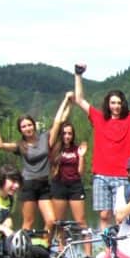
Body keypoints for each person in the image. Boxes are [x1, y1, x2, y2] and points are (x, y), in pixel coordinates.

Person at [73, 64, 130, 230]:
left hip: (122, 175)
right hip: (101, 175)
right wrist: (78, 75)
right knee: (103, 215)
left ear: (122, 104)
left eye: (118, 103)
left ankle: (121, 249)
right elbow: (79, 99)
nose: (116, 106)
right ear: (108, 104)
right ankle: (107, 251)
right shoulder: (99, 118)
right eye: (113, 103)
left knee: (121, 214)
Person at [0, 107, 57, 238]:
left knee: (51, 221)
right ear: (21, 130)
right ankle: (23, 253)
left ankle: (44, 249)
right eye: (23, 126)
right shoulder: (20, 145)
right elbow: (0, 145)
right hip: (28, 185)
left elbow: (59, 121)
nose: (27, 128)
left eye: (29, 125)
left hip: (44, 185)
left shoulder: (44, 138)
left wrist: (67, 102)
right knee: (28, 222)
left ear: (34, 125)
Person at [48, 92, 89, 239]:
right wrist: (67, 102)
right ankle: (61, 255)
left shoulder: (77, 149)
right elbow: (58, 121)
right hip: (59, 185)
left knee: (81, 222)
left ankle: (88, 257)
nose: (67, 136)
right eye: (65, 133)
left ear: (73, 135)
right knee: (59, 223)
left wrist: (82, 156)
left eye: (70, 134)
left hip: (75, 186)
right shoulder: (54, 147)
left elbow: (81, 172)